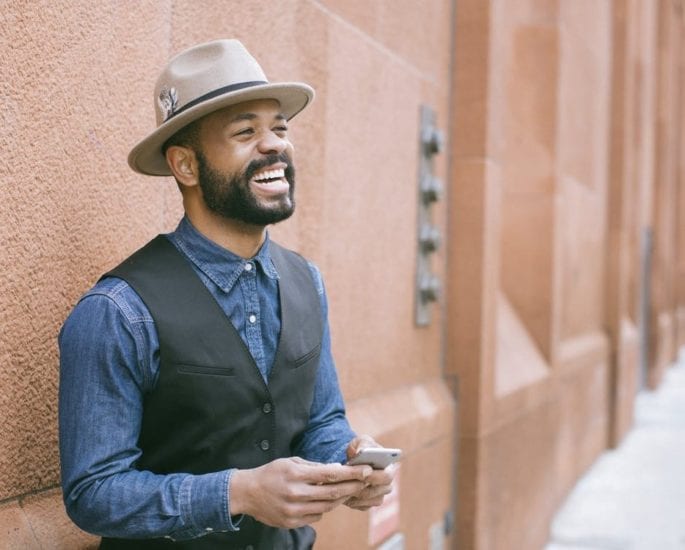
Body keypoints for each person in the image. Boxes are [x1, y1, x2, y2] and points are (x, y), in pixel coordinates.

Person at [58, 39, 396, 549]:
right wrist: (239, 492)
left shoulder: (308, 281)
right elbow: (94, 493)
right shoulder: (118, 312)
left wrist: (348, 461)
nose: (274, 145)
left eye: (280, 128)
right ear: (185, 166)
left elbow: (321, 420)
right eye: (246, 132)